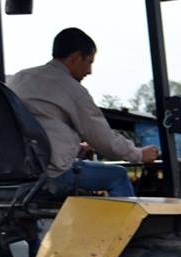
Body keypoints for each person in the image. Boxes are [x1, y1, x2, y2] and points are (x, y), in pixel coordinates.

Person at [8, 27, 157, 197]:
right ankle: (131, 224)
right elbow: (104, 140)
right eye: (89, 62)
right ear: (76, 57)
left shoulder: (18, 79)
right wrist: (138, 154)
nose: (89, 71)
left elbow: (35, 126)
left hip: (14, 173)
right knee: (118, 175)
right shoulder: (71, 89)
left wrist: (71, 147)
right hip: (53, 174)